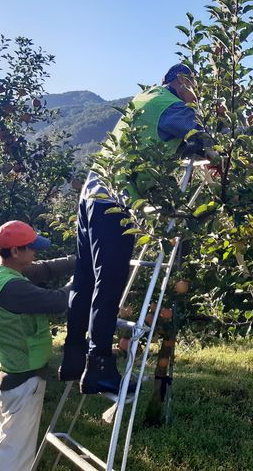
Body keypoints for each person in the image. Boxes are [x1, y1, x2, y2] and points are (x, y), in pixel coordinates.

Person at [59, 63, 211, 394]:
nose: (195, 96)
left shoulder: (146, 99)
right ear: (181, 83)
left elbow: (171, 142)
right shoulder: (171, 106)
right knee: (109, 284)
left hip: (92, 196)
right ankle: (98, 367)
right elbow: (202, 138)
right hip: (114, 201)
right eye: (193, 88)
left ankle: (73, 356)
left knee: (85, 281)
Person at [0, 220, 75, 471]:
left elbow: (42, 270)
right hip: (23, 378)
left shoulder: (0, 273)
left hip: (9, 372)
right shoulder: (11, 288)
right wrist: (81, 279)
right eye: (31, 248)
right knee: (18, 450)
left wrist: (77, 260)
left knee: (5, 439)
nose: (36, 253)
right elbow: (58, 301)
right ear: (15, 252)